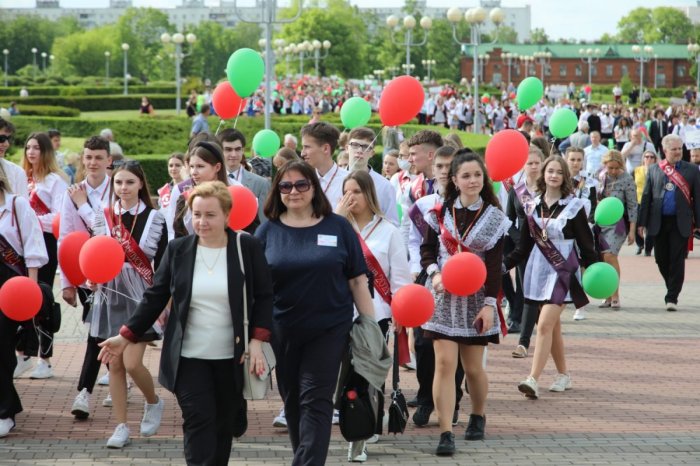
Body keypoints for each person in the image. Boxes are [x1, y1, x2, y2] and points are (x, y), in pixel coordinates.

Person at [98, 180, 272, 464]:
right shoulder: (179, 249)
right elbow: (155, 297)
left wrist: (256, 340)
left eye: (210, 215)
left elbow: (264, 296)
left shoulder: (245, 247)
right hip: (189, 357)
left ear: (227, 215)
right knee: (198, 419)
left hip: (232, 358)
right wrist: (126, 335)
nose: (201, 222)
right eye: (197, 214)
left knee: (223, 424)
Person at [255, 161, 375, 466]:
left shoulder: (338, 226)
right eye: (285, 186)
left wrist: (371, 327)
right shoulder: (267, 231)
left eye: (301, 185)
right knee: (293, 402)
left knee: (316, 400)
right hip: (282, 331)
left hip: (328, 329)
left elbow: (358, 280)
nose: (293, 191)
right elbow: (256, 288)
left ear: (314, 188)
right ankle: (304, 457)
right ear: (277, 190)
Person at [419, 151, 510, 455]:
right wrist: (434, 275)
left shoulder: (494, 218)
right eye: (466, 176)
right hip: (443, 297)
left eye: (477, 175)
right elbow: (427, 251)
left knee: (473, 369)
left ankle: (478, 414)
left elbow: (495, 266)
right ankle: (446, 431)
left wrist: (488, 304)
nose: (472, 181)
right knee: (444, 364)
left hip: (476, 300)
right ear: (455, 180)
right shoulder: (440, 212)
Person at [505, 155, 599, 400]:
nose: (553, 175)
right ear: (543, 175)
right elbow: (523, 247)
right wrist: (504, 265)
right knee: (553, 327)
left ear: (565, 176)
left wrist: (596, 272)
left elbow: (587, 246)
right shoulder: (532, 205)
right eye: (550, 171)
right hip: (538, 269)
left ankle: (532, 378)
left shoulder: (574, 206)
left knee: (545, 323)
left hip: (563, 270)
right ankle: (564, 374)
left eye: (559, 171)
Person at [89, 161, 167, 448]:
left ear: (141, 185)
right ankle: (121, 426)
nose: (123, 188)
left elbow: (162, 265)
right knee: (115, 365)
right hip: (110, 296)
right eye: (119, 183)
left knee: (133, 363)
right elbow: (94, 254)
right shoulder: (103, 216)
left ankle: (153, 401)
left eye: (129, 182)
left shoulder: (156, 219)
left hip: (142, 299)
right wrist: (91, 278)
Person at [335, 170, 412, 462]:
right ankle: (355, 422)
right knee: (342, 376)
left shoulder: (389, 230)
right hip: (338, 312)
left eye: (356, 191)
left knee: (366, 374)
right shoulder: (335, 227)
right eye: (346, 191)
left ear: (369, 194)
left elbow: (400, 279)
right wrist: (338, 218)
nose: (350, 197)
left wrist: (401, 314)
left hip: (374, 315)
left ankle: (360, 435)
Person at [60, 136, 113, 420]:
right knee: (102, 331)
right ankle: (119, 376)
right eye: (88, 157)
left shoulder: (118, 188)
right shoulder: (73, 192)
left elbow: (105, 229)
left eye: (98, 157)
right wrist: (67, 282)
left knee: (97, 331)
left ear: (109, 160)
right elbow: (66, 236)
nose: (92, 163)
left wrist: (83, 204)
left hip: (114, 274)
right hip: (84, 275)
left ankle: (84, 392)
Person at [13, 133, 68, 380]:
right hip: (17, 244)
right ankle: (22, 352)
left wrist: (30, 220)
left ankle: (44, 359)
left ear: (46, 151)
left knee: (42, 298)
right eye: (28, 147)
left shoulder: (55, 181)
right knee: (17, 297)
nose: (31, 152)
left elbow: (59, 216)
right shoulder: (19, 178)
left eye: (36, 148)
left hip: (44, 244)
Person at [0, 169, 48, 438]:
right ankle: (9, 402)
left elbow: (33, 248)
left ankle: (5, 412)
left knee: (2, 346)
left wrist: (30, 291)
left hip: (11, 284)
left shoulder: (17, 204)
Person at [638, 135, 700, 311]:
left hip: (680, 221)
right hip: (658, 221)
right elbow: (647, 197)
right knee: (661, 259)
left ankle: (672, 296)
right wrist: (642, 223)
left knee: (677, 259)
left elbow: (698, 198)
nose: (678, 152)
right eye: (674, 149)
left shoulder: (692, 170)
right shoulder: (655, 170)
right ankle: (671, 285)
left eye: (680, 148)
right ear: (665, 151)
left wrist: (698, 221)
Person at [506, 146, 543, 356]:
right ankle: (524, 340)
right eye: (530, 163)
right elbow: (508, 221)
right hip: (524, 249)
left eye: (537, 163)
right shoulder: (517, 190)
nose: (534, 166)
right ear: (523, 166)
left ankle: (544, 330)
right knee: (526, 290)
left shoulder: (549, 189)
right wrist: (518, 238)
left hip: (547, 248)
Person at [165, 138, 236, 240]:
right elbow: (175, 233)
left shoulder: (234, 193)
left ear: (217, 167)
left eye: (200, 166)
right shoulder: (184, 197)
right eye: (192, 166)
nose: (194, 172)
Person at [597, 151, 637, 309]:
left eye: (616, 168)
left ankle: (615, 295)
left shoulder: (627, 179)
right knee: (602, 258)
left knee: (610, 256)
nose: (612, 171)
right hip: (601, 223)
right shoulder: (601, 176)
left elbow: (633, 205)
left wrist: (632, 230)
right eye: (610, 168)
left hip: (618, 224)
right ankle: (606, 295)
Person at [564, 146, 598, 320]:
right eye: (572, 159)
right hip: (563, 229)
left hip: (583, 228)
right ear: (566, 159)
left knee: (582, 265)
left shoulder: (588, 181)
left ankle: (581, 305)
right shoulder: (559, 178)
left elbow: (592, 204)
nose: (576, 163)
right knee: (566, 266)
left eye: (579, 160)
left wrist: (589, 223)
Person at [344, 127, 398, 226]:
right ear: (347, 148)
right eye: (355, 145)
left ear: (372, 153)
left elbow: (392, 223)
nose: (360, 150)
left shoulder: (385, 186)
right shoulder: (336, 179)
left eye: (366, 147)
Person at [217, 129, 271, 224]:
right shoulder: (211, 180)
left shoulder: (260, 183)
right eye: (228, 149)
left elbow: (264, 223)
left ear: (243, 150)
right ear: (220, 151)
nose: (233, 154)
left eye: (238, 149)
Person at [300, 122, 348, 208]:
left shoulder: (348, 181)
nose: (302, 153)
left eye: (307, 147)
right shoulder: (302, 180)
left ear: (325, 149)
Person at [633, 150, 657, 256]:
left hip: (652, 202)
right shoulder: (636, 170)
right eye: (646, 157)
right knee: (637, 224)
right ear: (643, 159)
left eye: (652, 157)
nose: (649, 159)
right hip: (638, 201)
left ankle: (648, 248)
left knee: (650, 227)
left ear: (655, 159)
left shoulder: (658, 170)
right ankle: (640, 245)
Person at [0, 118, 29, 199]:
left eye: (8, 139)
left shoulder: (16, 172)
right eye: (1, 139)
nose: (6, 144)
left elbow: (24, 209)